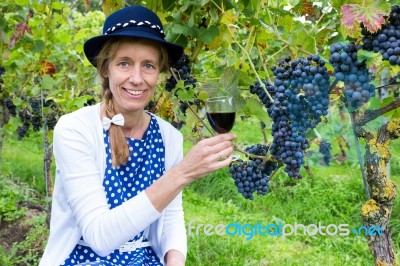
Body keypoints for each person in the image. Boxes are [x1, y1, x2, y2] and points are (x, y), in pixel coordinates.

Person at [39, 5, 235, 266]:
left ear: (159, 73)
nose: (136, 78)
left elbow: (171, 219)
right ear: (105, 69)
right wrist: (183, 173)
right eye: (124, 63)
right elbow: (99, 238)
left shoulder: (168, 137)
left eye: (148, 66)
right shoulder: (75, 129)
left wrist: (175, 260)